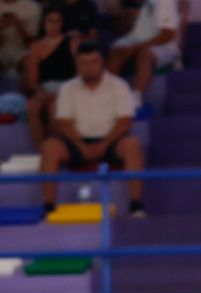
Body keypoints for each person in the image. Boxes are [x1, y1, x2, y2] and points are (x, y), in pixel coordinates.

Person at [39, 42, 145, 217]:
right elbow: (63, 123)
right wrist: (81, 146)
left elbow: (125, 122)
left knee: (132, 145)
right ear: (77, 65)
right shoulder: (67, 88)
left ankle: (136, 205)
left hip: (111, 140)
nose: (89, 67)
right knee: (50, 147)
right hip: (76, 141)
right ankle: (48, 206)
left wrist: (104, 144)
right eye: (83, 63)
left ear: (102, 62)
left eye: (93, 62)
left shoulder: (119, 85)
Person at [21, 6, 78, 150]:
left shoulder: (72, 43)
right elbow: (33, 80)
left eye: (57, 21)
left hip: (68, 87)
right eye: (50, 21)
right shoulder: (36, 47)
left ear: (62, 23)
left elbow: (79, 73)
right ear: (44, 23)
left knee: (55, 108)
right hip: (45, 88)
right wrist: (39, 91)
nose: (53, 25)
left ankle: (57, 148)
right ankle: (41, 150)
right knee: (32, 106)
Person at [107, 0, 178, 95]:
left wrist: (135, 48)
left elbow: (167, 35)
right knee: (117, 50)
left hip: (164, 45)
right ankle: (105, 92)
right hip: (140, 39)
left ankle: (137, 97)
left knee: (145, 54)